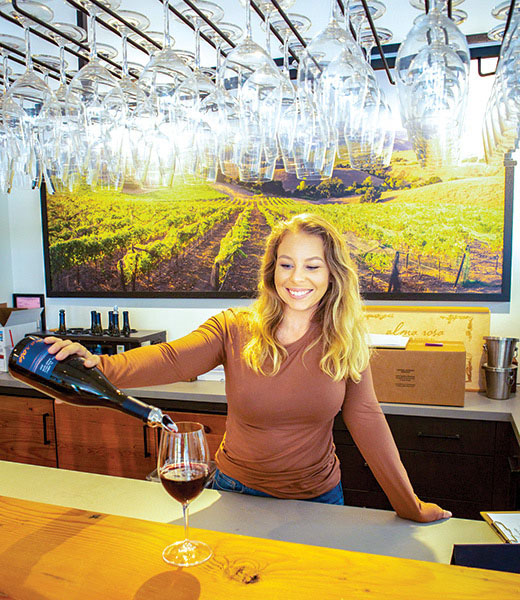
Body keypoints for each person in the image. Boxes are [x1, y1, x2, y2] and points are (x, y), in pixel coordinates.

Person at [46, 213, 451, 522]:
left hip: (317, 499)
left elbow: (367, 417)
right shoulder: (234, 328)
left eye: (313, 266)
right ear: (272, 270)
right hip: (234, 491)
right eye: (287, 264)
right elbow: (169, 359)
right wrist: (97, 364)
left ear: (333, 275)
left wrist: (409, 505)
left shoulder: (346, 340)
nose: (297, 278)